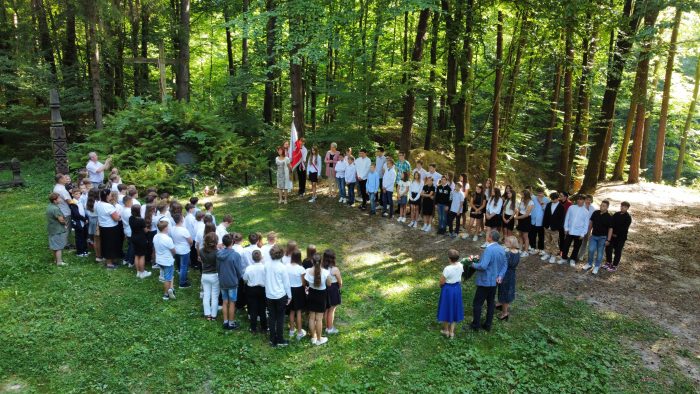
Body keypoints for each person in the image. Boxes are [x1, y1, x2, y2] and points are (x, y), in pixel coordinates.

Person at [469, 230, 507, 332]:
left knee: (477, 303)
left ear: (490, 238)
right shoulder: (501, 249)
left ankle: (475, 325)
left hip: (485, 281)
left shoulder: (489, 250)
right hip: (495, 281)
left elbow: (483, 266)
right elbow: (505, 264)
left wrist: (472, 264)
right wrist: (500, 275)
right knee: (491, 303)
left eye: (488, 235)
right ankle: (488, 325)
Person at [265, 245, 292, 347]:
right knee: (280, 318)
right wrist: (289, 296)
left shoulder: (266, 265)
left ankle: (272, 339)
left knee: (271, 317)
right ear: (281, 255)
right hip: (280, 295)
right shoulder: (282, 267)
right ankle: (280, 339)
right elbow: (286, 284)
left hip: (269, 295)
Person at [303, 253, 331, 345]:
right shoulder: (326, 273)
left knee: (311, 317)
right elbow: (329, 284)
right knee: (319, 319)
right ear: (321, 261)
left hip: (311, 294)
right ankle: (319, 339)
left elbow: (305, 282)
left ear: (312, 261)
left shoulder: (307, 271)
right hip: (321, 296)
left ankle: (313, 337)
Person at [218, 234, 244, 330]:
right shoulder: (235, 255)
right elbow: (239, 270)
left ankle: (225, 321)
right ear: (232, 242)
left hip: (222, 280)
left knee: (225, 301)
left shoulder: (219, 254)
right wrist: (238, 278)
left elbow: (218, 268)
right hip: (232, 281)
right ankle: (231, 323)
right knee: (232, 302)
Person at [436, 249, 464, 339]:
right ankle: (452, 332)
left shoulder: (447, 269)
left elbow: (442, 281)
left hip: (448, 289)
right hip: (457, 289)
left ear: (449, 259)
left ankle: (446, 330)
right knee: (455, 308)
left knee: (446, 308)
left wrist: (441, 286)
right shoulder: (460, 265)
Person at [582, 200, 613, 275]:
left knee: (600, 253)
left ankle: (596, 266)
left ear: (607, 207)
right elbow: (591, 223)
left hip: (603, 238)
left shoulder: (609, 217)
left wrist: (608, 240)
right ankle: (589, 264)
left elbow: (610, 229)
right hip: (594, 236)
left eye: (604, 206)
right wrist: (589, 233)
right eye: (601, 205)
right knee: (591, 250)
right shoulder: (595, 213)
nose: (602, 207)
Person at [96, 188, 122, 269]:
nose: (111, 195)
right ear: (107, 196)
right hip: (111, 228)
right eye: (110, 194)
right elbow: (116, 218)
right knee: (110, 245)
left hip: (103, 226)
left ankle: (110, 260)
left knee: (105, 243)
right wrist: (119, 216)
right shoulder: (109, 206)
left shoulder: (99, 204)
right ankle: (109, 263)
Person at [496, 236, 520, 321]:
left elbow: (504, 264)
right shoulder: (517, 252)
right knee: (503, 289)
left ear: (511, 243)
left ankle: (505, 313)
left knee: (505, 292)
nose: (505, 243)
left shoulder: (508, 254)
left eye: (507, 242)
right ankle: (500, 303)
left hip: (506, 274)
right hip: (512, 274)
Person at [243, 250, 267, 333]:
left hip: (251, 289)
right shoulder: (264, 267)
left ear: (252, 258)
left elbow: (245, 279)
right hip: (262, 289)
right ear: (261, 257)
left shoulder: (249, 268)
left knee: (253, 308)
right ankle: (264, 328)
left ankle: (253, 328)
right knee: (262, 308)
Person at [561, 194, 588, 267]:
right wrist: (566, 228)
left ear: (584, 201)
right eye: (578, 199)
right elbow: (567, 218)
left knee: (576, 247)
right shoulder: (571, 207)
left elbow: (586, 224)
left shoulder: (586, 211)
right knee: (566, 245)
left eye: (581, 199)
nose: (579, 200)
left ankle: (573, 259)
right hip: (570, 231)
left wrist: (583, 234)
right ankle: (564, 258)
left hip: (579, 232)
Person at [604, 201, 632, 272]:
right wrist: (611, 233)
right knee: (608, 249)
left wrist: (616, 233)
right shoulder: (616, 214)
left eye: (625, 207)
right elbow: (611, 223)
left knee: (617, 251)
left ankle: (614, 265)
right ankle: (608, 262)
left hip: (621, 238)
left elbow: (624, 228)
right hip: (612, 236)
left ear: (627, 208)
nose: (623, 207)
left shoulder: (628, 217)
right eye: (622, 206)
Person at [198, 232, 220, 321]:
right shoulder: (217, 253)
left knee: (206, 295)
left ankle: (207, 314)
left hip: (205, 275)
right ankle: (214, 315)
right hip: (214, 275)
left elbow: (202, 261)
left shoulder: (201, 251)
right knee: (214, 296)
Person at [286, 250, 307, 340]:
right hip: (299, 290)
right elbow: (303, 283)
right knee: (298, 311)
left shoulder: (286, 266)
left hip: (289, 289)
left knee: (291, 311)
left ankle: (291, 330)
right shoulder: (301, 269)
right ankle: (299, 332)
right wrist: (305, 287)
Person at [154, 221, 176, 301]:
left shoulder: (155, 236)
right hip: (167, 261)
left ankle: (171, 288)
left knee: (169, 275)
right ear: (165, 228)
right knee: (168, 278)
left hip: (159, 260)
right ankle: (166, 294)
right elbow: (173, 251)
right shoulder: (168, 239)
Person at [541, 192, 565, 264]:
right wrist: (544, 225)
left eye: (554, 199)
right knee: (546, 240)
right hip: (547, 226)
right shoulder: (548, 205)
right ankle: (547, 253)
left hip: (555, 228)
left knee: (554, 242)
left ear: (558, 198)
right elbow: (545, 215)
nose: (553, 200)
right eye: (551, 199)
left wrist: (558, 227)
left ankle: (553, 255)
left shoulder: (561, 207)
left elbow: (562, 219)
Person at [323, 249, 342, 335]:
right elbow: (340, 281)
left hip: (324, 289)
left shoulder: (321, 267)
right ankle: (330, 328)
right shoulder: (335, 269)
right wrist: (339, 287)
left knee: (326, 309)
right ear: (333, 258)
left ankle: (326, 326)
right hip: (333, 289)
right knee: (332, 310)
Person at [129, 205, 151, 279]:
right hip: (141, 239)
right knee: (141, 255)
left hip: (133, 237)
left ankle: (138, 272)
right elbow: (145, 230)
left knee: (136, 255)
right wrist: (148, 229)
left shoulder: (130, 218)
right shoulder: (141, 220)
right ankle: (142, 272)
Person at [171, 213, 193, 287]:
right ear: (181, 220)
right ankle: (182, 283)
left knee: (180, 265)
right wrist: (190, 245)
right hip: (184, 250)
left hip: (176, 249)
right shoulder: (184, 230)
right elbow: (190, 241)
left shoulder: (172, 228)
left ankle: (181, 276)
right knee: (184, 266)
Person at [47, 193, 68, 266]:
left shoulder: (49, 206)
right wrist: (65, 224)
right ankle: (59, 262)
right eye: (59, 198)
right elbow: (61, 220)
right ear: (55, 200)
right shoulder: (55, 209)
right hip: (58, 229)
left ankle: (55, 260)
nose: (60, 199)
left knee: (54, 246)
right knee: (59, 246)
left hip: (52, 229)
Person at [53, 174, 73, 248]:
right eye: (64, 178)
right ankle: (66, 244)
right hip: (65, 211)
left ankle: (63, 242)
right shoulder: (62, 189)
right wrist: (77, 202)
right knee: (66, 227)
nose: (66, 179)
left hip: (60, 209)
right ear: (60, 180)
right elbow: (69, 201)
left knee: (63, 227)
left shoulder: (56, 187)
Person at [69, 188, 89, 257]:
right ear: (72, 194)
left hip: (83, 222)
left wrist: (85, 218)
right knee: (79, 237)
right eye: (76, 194)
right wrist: (84, 219)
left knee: (84, 236)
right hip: (78, 222)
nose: (78, 195)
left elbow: (83, 211)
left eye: (79, 194)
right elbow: (76, 214)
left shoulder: (79, 201)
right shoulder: (73, 203)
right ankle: (80, 252)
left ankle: (85, 250)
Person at [577, 194, 597, 262]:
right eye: (587, 199)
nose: (588, 201)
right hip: (580, 227)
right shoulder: (581, 206)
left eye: (590, 199)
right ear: (584, 200)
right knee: (578, 241)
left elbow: (593, 220)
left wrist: (590, 230)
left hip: (588, 228)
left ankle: (581, 255)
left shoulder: (593, 209)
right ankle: (576, 253)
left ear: (591, 200)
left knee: (585, 242)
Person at [514, 190, 534, 257]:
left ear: (526, 195)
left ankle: (526, 251)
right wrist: (517, 216)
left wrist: (517, 218)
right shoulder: (522, 200)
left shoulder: (531, 202)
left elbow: (526, 214)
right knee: (520, 234)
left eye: (522, 194)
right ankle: (520, 249)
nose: (521, 195)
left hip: (526, 219)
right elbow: (519, 209)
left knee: (525, 236)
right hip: (520, 217)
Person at [528, 187, 548, 256]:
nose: (539, 195)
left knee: (541, 236)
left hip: (541, 221)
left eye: (541, 193)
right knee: (532, 235)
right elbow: (530, 194)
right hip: (533, 220)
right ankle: (532, 247)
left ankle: (541, 249)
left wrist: (541, 202)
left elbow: (546, 210)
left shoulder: (547, 200)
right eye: (538, 193)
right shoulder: (534, 198)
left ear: (543, 193)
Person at [120, 195, 134, 266]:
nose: (132, 202)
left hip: (126, 229)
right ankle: (130, 261)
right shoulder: (129, 211)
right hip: (130, 230)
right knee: (132, 247)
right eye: (131, 201)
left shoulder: (123, 209)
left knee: (130, 246)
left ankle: (126, 259)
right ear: (128, 202)